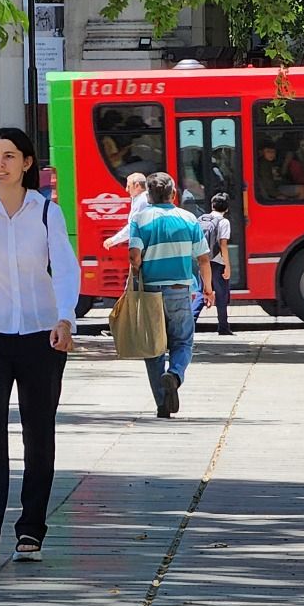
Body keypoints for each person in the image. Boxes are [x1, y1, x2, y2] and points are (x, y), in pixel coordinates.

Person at [0, 127, 80, 566]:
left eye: (10, 156)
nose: (0, 164)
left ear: (27, 163)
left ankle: (31, 530)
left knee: (38, 432)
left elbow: (65, 268)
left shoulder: (46, 212)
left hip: (41, 335)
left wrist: (66, 317)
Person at [129, 172, 215, 420]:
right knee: (183, 341)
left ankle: (161, 403)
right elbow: (203, 259)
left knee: (153, 347)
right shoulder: (189, 219)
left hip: (150, 293)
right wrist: (207, 289)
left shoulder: (140, 218)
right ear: (173, 194)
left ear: (148, 195)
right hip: (180, 290)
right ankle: (175, 375)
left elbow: (134, 257)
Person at [199, 192, 233, 335]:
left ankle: (190, 325)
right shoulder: (224, 222)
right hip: (217, 263)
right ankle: (223, 327)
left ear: (212, 205)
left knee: (202, 292)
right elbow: (223, 244)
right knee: (221, 294)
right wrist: (227, 265)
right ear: (226, 208)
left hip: (203, 260)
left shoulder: (201, 219)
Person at [102, 173, 149, 250]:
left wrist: (113, 240)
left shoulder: (142, 201)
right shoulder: (142, 198)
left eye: (129, 186)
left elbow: (133, 226)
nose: (126, 189)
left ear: (137, 186)